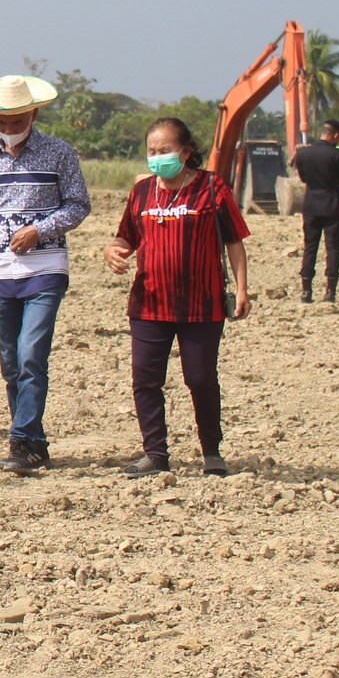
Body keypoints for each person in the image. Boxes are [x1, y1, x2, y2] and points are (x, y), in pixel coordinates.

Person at [0, 74, 93, 476]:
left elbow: (78, 205)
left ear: (32, 114)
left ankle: (20, 439)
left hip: (45, 270)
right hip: (0, 273)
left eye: (17, 122)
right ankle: (32, 440)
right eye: (1, 122)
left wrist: (40, 230)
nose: (9, 130)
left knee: (32, 354)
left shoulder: (60, 154)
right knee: (11, 362)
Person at [104, 118, 251, 477]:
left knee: (200, 378)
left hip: (202, 302)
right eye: (151, 152)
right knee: (145, 379)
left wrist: (243, 288)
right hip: (150, 303)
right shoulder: (141, 193)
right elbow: (126, 236)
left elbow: (234, 241)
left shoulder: (212, 188)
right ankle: (155, 453)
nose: (157, 157)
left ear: (186, 152)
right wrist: (114, 250)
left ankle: (212, 451)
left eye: (165, 150)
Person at [293, 120, 339, 303]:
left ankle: (306, 291)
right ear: (335, 135)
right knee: (333, 248)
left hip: (311, 206)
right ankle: (330, 291)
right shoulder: (336, 155)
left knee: (310, 247)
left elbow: (303, 178)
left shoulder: (303, 154)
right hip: (332, 205)